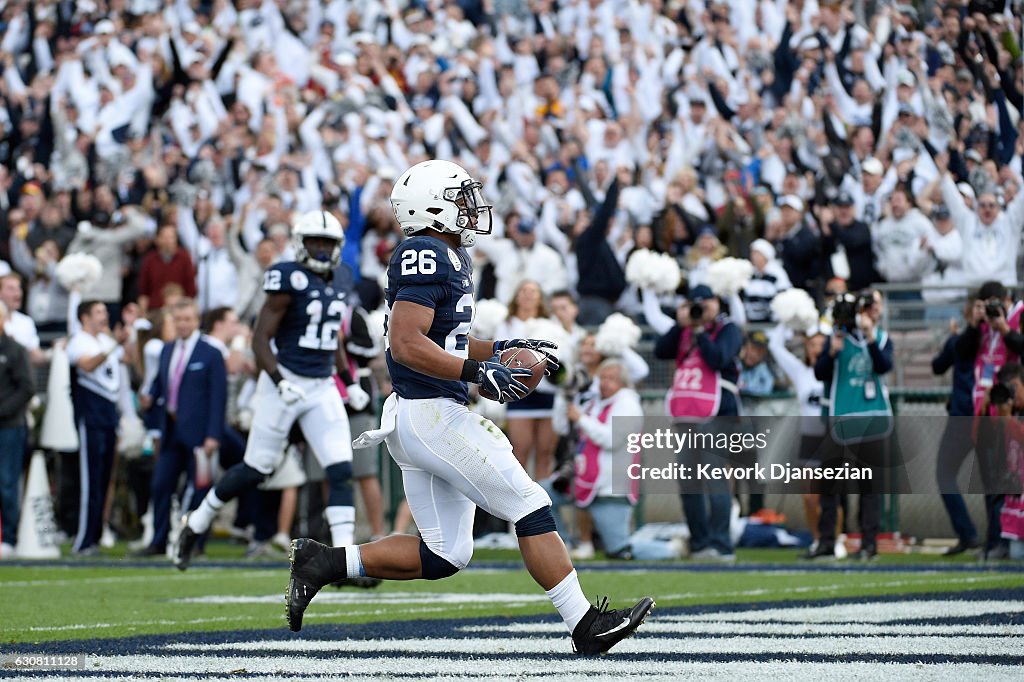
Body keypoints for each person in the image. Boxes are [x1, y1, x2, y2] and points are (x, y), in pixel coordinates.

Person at [285, 160, 653, 655]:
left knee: (445, 553)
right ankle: (584, 624)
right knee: (531, 503)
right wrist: (478, 375)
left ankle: (325, 563)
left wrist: (498, 349)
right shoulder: (424, 250)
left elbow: (448, 337)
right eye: (461, 198)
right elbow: (407, 343)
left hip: (421, 414)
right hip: (433, 413)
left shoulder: (444, 252)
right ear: (432, 206)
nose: (471, 207)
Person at [174, 211, 370, 570]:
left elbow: (333, 336)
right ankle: (196, 522)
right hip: (285, 380)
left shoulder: (342, 276)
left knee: (341, 468)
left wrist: (349, 380)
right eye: (316, 242)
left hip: (322, 383)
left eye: (328, 244)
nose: (323, 251)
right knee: (256, 468)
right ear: (300, 243)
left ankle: (343, 559)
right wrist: (280, 381)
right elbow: (260, 338)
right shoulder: (286, 277)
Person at [547, 360, 679, 561]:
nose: (605, 383)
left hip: (609, 489)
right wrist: (563, 396)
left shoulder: (628, 403)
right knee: (541, 497)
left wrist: (580, 418)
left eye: (612, 379)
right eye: (603, 378)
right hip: (581, 479)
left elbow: (611, 439)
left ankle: (671, 548)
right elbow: (561, 427)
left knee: (620, 550)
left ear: (624, 383)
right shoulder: (595, 402)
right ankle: (561, 545)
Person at [652, 284, 742, 562]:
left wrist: (701, 330)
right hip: (687, 413)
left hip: (718, 411)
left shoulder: (729, 330)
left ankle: (721, 544)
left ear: (718, 302)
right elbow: (660, 351)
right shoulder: (685, 330)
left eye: (706, 303)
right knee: (688, 482)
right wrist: (681, 325)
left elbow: (718, 359)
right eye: (695, 304)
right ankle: (700, 542)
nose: (700, 309)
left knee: (715, 477)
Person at [137, 299, 226, 556]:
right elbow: (163, 383)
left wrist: (213, 435)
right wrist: (151, 396)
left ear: (196, 321)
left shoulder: (211, 353)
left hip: (199, 434)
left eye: (187, 319)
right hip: (171, 429)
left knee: (200, 489)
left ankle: (195, 543)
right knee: (161, 485)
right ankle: (158, 540)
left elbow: (217, 397)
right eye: (178, 320)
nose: (183, 324)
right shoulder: (166, 350)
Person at [811, 288, 893, 560]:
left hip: (872, 420)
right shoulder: (838, 339)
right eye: (869, 305)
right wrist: (831, 352)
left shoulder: (881, 338)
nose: (873, 309)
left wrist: (869, 337)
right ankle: (826, 541)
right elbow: (820, 372)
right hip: (841, 418)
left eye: (876, 305)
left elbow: (883, 367)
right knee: (830, 486)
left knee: (869, 487)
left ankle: (869, 543)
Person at [66, 300, 130, 555]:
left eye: (105, 312)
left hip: (108, 417)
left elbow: (129, 359)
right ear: (84, 317)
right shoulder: (79, 341)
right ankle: (83, 539)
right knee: (90, 479)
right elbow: (87, 364)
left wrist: (130, 332)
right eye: (98, 312)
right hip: (90, 416)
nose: (104, 316)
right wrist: (115, 343)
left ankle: (94, 536)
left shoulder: (105, 340)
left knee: (104, 480)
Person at [931, 307, 980, 556]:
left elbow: (938, 365)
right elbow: (938, 366)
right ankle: (977, 537)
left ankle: (979, 536)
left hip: (973, 416)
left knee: (995, 482)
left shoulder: (996, 340)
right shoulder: (963, 341)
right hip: (975, 417)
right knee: (946, 474)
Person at [0, 301, 34, 557]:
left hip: (9, 425)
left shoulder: (14, 350)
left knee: (7, 482)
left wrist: (3, 410)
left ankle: (9, 537)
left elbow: (27, 387)